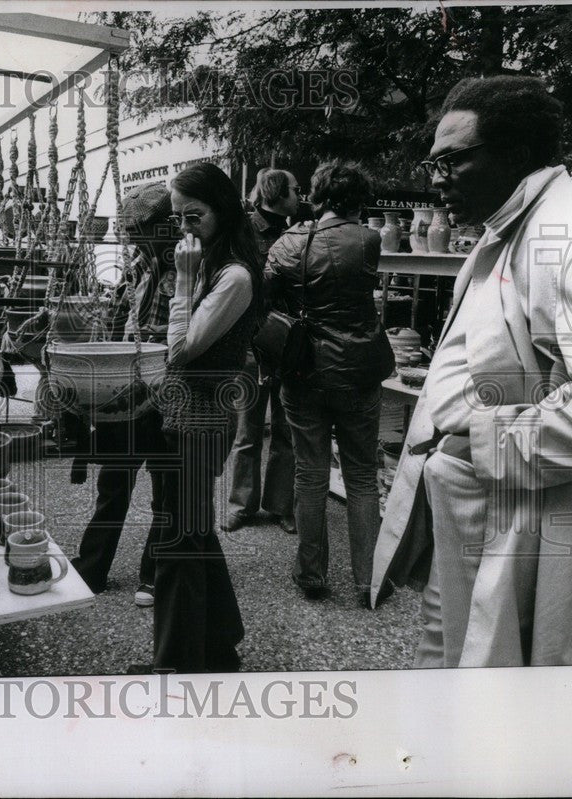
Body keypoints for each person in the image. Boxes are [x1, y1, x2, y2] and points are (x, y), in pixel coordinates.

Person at [370, 76, 572, 667]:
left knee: (493, 678)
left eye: (452, 161)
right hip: (476, 500)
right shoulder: (512, 226)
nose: (435, 178)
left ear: (516, 154)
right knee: (447, 659)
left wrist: (482, 442)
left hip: (522, 507)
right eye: (432, 162)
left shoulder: (568, 231)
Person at [141, 162, 261, 674]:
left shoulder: (232, 275)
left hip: (204, 418)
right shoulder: (214, 264)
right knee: (190, 532)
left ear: (223, 210)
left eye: (196, 217)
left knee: (179, 541)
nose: (185, 230)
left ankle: (176, 664)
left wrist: (183, 282)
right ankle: (220, 639)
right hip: (186, 414)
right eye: (179, 219)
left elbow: (181, 350)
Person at [265, 160, 394, 604]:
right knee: (360, 476)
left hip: (303, 370)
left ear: (316, 196)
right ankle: (368, 580)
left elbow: (266, 296)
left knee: (310, 471)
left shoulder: (287, 242)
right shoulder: (369, 239)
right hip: (358, 370)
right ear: (360, 200)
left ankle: (311, 574)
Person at [69, 183, 176, 606]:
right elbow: (119, 317)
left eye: (140, 232)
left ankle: (154, 573)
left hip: (168, 390)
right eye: (130, 233)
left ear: (164, 226)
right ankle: (92, 567)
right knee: (114, 484)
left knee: (166, 490)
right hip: (128, 390)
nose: (133, 240)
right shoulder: (138, 264)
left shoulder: (189, 264)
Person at [223, 168, 301, 533]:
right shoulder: (244, 232)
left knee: (286, 430)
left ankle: (281, 505)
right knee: (247, 430)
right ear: (277, 193)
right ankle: (241, 504)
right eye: (295, 190)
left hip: (289, 341)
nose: (300, 196)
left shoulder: (299, 232)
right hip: (252, 342)